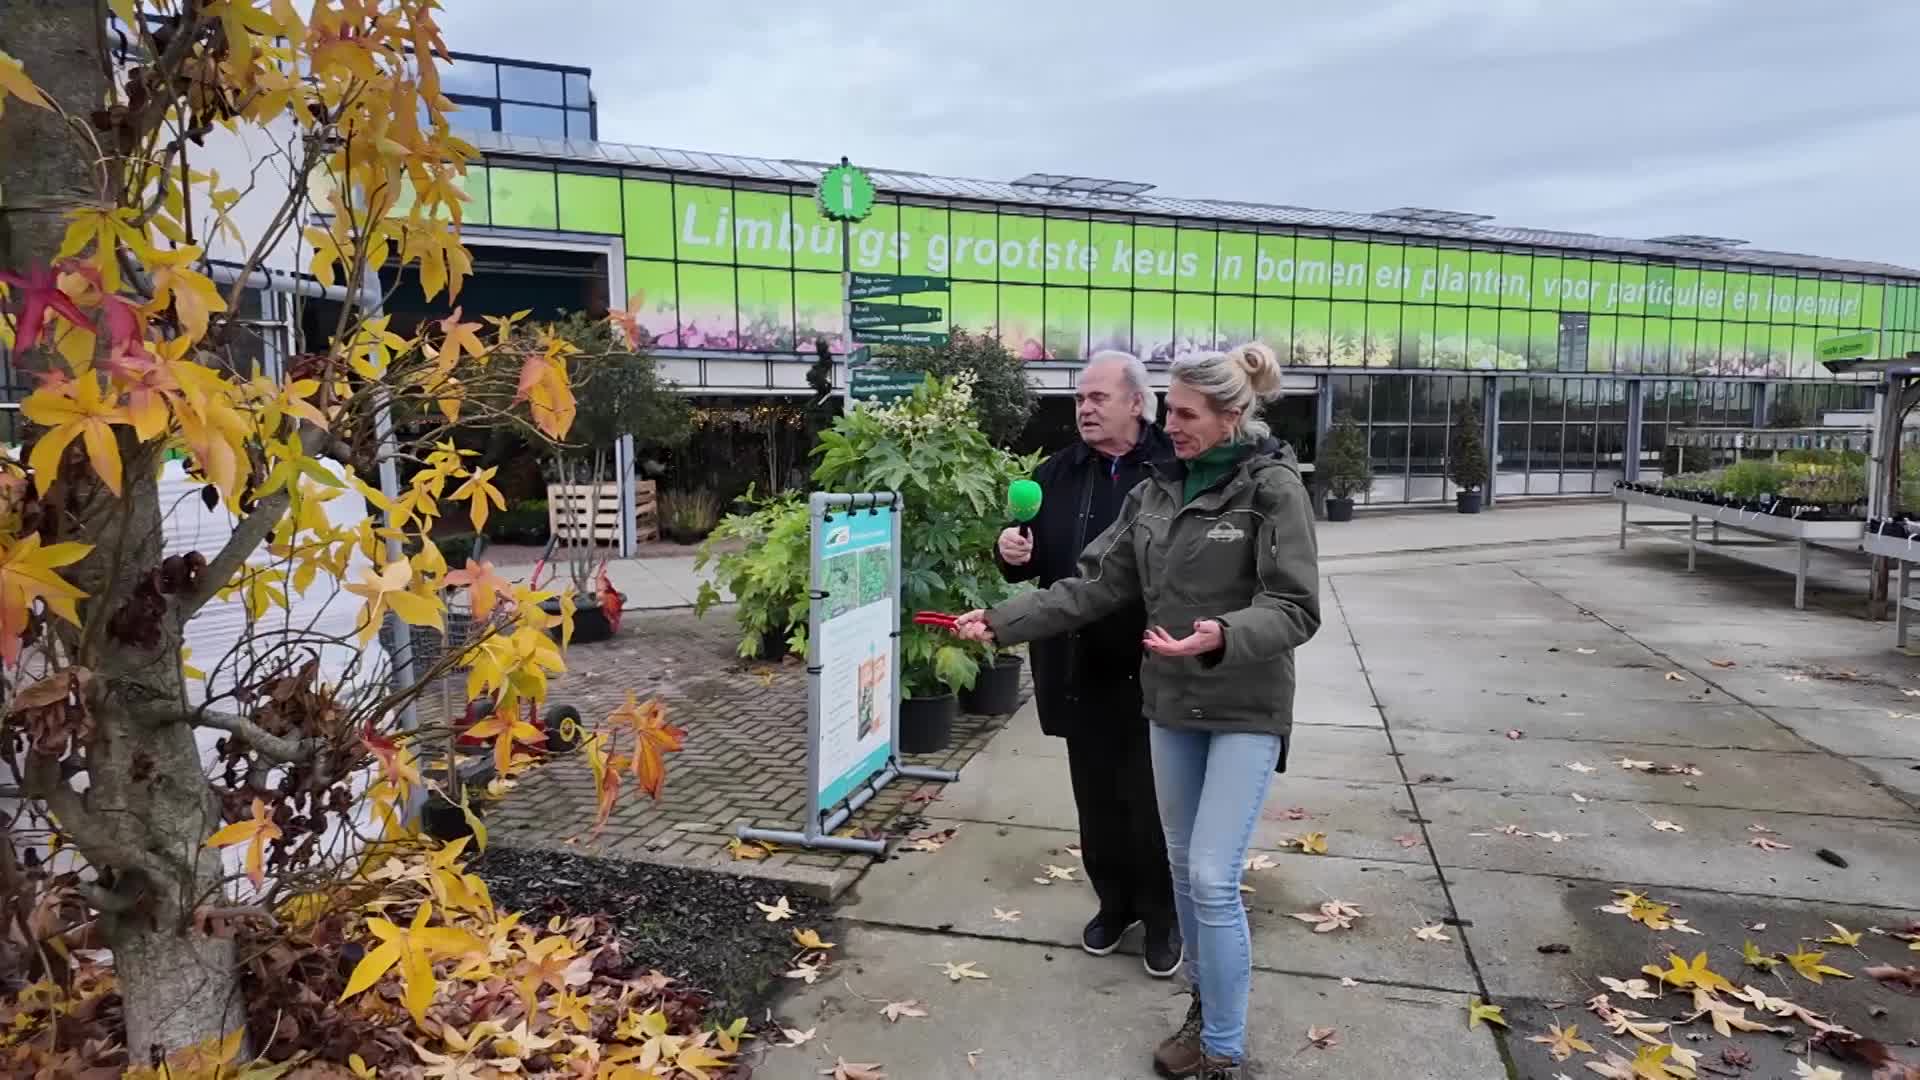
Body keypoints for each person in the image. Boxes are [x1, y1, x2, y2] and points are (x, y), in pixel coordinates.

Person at [955, 341, 1319, 1080]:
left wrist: (1226, 633)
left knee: (1213, 877)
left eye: (1184, 414)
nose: (1169, 424)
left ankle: (1223, 1047)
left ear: (1228, 416)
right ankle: (1202, 1004)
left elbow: (1296, 607)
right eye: (1169, 410)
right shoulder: (1153, 492)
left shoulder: (1272, 487)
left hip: (1244, 703)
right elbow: (1090, 585)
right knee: (1186, 874)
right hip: (1172, 703)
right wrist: (1000, 619)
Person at [995, 350, 1179, 978]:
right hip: (1076, 665)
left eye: (1098, 397)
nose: (1085, 408)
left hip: (1153, 667)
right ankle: (1115, 903)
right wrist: (1012, 553)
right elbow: (1038, 563)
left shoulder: (1174, 469)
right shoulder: (1056, 473)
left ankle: (1162, 916)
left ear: (1137, 402)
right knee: (1096, 799)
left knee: (1149, 802)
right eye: (1079, 399)